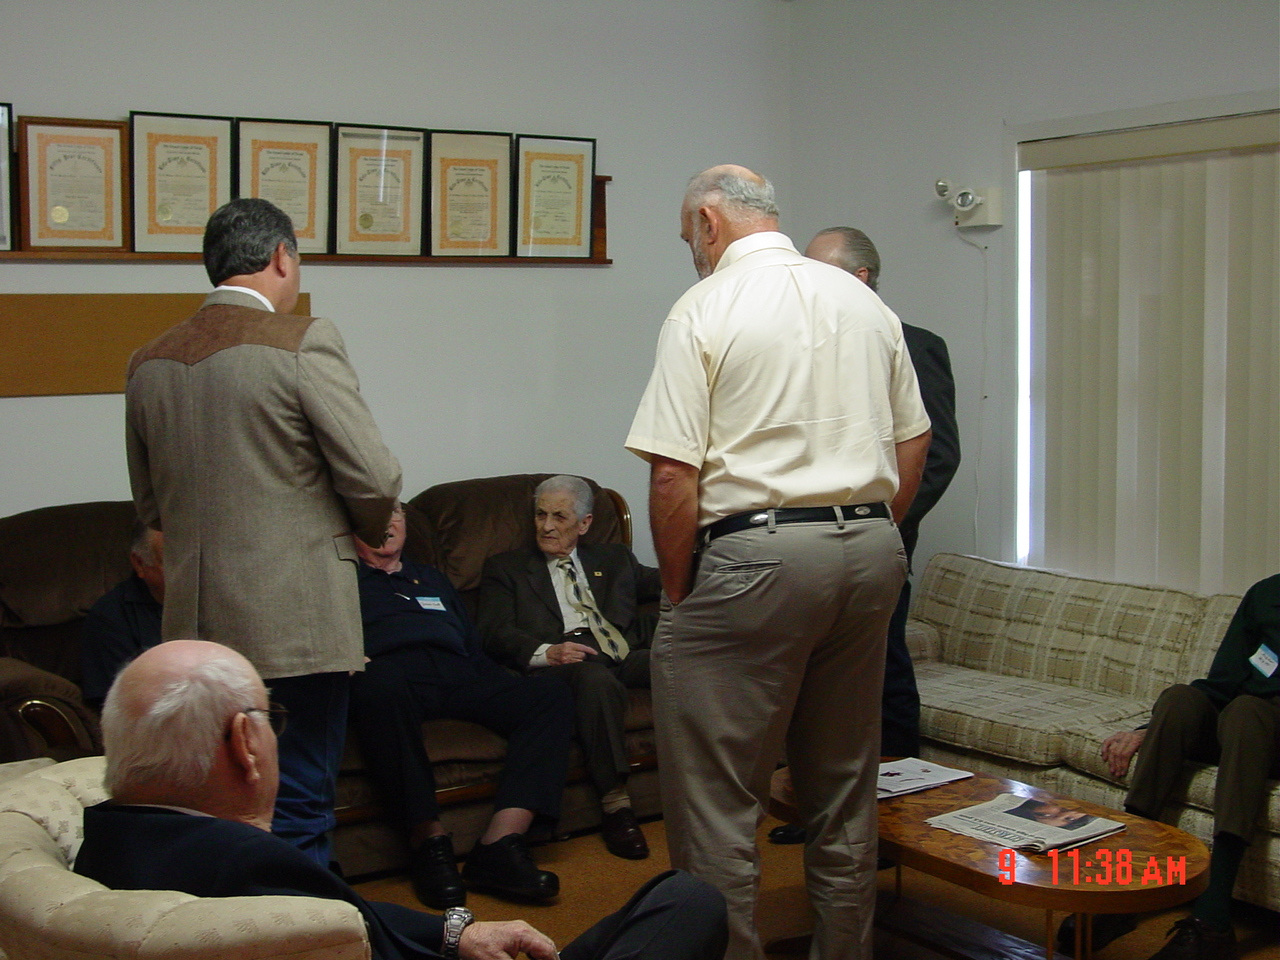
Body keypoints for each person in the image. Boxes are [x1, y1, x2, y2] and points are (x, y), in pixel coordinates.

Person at [625, 165, 931, 960]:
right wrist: (867, 529)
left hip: (752, 560)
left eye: (687, 236)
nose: (692, 252)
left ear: (709, 222)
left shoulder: (706, 306)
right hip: (869, 554)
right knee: (844, 788)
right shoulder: (864, 303)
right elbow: (915, 439)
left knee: (718, 803)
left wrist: (679, 591)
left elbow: (672, 474)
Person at [75, 639, 729, 960]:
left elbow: (350, 919)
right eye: (272, 717)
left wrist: (458, 930)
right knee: (686, 900)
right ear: (247, 745)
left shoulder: (101, 845)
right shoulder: (250, 863)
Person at [124, 197, 402, 866]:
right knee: (298, 798)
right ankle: (298, 920)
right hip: (295, 624)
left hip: (194, 630)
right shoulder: (301, 341)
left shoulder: (148, 361)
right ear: (282, 257)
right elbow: (373, 476)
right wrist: (368, 529)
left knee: (217, 805)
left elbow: (150, 506)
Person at [352, 504, 575, 909]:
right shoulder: (342, 580)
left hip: (461, 673)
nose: (386, 524)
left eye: (394, 514)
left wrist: (499, 678)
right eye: (375, 514)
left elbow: (472, 643)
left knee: (551, 694)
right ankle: (429, 842)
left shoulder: (431, 577)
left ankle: (501, 844)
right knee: (377, 684)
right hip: (394, 677)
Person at [805, 226, 960, 759]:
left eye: (820, 271)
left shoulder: (916, 345)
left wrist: (886, 525)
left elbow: (937, 456)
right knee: (820, 675)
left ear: (861, 277)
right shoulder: (808, 345)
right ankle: (823, 792)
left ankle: (901, 792)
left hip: (879, 541)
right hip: (810, 543)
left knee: (882, 665)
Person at [1066, 574, 1279, 960]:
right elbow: (1222, 681)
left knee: (1247, 712)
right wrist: (1146, 729)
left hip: (1265, 734)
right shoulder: (1266, 594)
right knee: (1180, 699)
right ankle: (1124, 887)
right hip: (1241, 729)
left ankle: (1213, 920)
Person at [478, 475, 662, 861]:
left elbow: (669, 582)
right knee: (595, 680)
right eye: (540, 515)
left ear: (584, 523)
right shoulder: (506, 568)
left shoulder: (615, 559)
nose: (546, 526)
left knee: (680, 664)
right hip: (564, 661)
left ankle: (716, 775)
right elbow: (494, 632)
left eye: (559, 516)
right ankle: (616, 805)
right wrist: (548, 652)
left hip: (620, 652)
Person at [80, 521, 164, 710]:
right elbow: (115, 705)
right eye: (173, 561)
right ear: (140, 563)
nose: (187, 572)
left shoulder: (219, 598)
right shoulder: (109, 617)